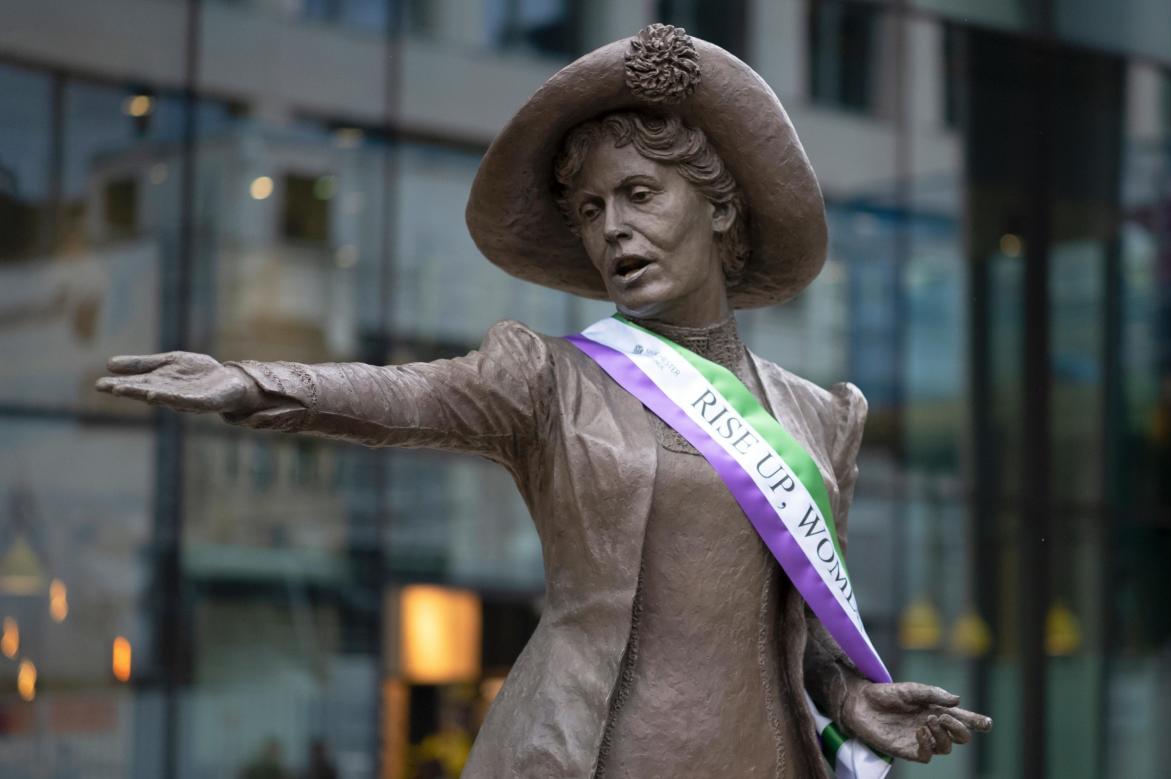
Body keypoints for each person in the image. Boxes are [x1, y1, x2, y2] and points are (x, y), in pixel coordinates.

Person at [97, 24, 989, 778]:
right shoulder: (550, 379)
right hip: (592, 752)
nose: (613, 229)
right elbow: (404, 396)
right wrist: (258, 383)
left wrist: (851, 695)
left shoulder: (819, 418)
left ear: (719, 210)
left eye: (641, 195)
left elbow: (798, 625)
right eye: (592, 209)